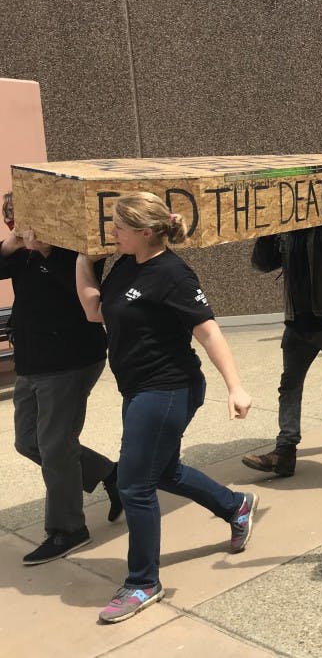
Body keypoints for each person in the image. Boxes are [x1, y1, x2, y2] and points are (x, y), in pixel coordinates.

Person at [75, 192, 257, 624]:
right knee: (163, 470)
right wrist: (84, 259)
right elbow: (93, 312)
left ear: (145, 231)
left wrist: (236, 387)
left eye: (119, 225)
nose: (112, 231)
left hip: (169, 389)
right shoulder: (123, 266)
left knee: (135, 484)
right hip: (138, 390)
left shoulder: (173, 273)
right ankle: (236, 506)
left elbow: (208, 332)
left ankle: (143, 582)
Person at [1, 226, 120, 566]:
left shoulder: (74, 243)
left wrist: (49, 253)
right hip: (31, 361)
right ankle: (112, 475)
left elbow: (81, 292)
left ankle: (68, 529)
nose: (17, 224)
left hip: (70, 360)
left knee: (55, 446)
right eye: (10, 217)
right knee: (28, 441)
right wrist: (10, 246)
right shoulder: (19, 250)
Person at [241, 224, 322, 477]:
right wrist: (266, 230)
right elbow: (262, 264)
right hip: (297, 324)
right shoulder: (284, 229)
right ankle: (285, 452)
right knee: (289, 387)